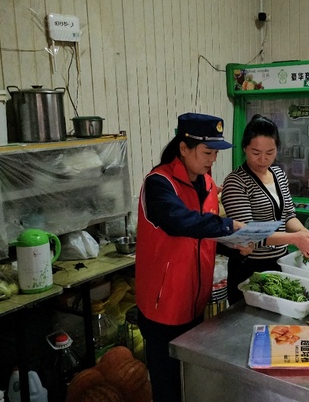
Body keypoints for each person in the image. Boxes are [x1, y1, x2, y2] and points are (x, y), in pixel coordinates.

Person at [134, 112, 249, 402]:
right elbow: (181, 222)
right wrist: (228, 226)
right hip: (163, 307)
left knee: (192, 383)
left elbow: (202, 238)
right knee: (168, 387)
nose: (212, 160)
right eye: (207, 152)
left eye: (215, 154)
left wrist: (232, 244)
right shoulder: (159, 184)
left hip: (195, 300)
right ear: (184, 148)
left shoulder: (208, 185)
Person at [222, 114, 309, 305]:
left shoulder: (278, 174)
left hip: (280, 263)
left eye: (270, 152)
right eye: (255, 152)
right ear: (244, 148)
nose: (263, 159)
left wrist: (304, 233)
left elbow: (287, 215)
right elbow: (248, 234)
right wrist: (295, 239)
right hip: (249, 268)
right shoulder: (236, 182)